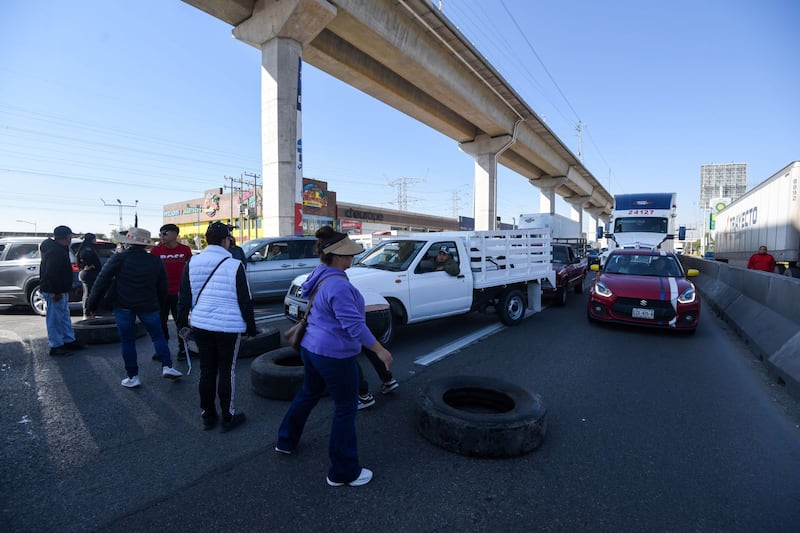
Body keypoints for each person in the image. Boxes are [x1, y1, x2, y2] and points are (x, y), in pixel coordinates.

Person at [275, 226, 392, 487]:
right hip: (334, 355)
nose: (352, 258)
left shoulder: (320, 273)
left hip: (311, 347)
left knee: (308, 393)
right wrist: (380, 350)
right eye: (349, 255)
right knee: (345, 408)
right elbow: (354, 326)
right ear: (338, 256)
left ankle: (285, 441)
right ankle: (343, 471)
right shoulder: (338, 284)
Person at [176, 221, 257, 432]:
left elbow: (184, 297)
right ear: (224, 241)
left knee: (206, 370)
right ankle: (227, 417)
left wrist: (182, 325)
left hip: (201, 324)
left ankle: (208, 415)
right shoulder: (234, 265)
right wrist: (251, 328)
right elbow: (245, 300)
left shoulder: (192, 262)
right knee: (226, 370)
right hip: (228, 327)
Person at [86, 227, 182, 388]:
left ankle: (133, 376)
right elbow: (162, 285)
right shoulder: (154, 260)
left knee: (128, 341)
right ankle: (167, 366)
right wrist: (160, 303)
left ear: (128, 243)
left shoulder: (119, 258)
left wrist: (92, 305)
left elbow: (101, 281)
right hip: (149, 305)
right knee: (157, 336)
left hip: (123, 305)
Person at [150, 223, 193, 360]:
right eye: (160, 233)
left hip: (180, 293)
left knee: (181, 322)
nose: (161, 236)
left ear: (175, 234)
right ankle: (162, 350)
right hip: (161, 294)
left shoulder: (185, 250)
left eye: (165, 233)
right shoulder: (155, 251)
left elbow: (190, 268)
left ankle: (184, 350)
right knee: (161, 323)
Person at [40, 225, 84, 356]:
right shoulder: (55, 251)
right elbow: (51, 272)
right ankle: (56, 345)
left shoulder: (58, 248)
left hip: (60, 289)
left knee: (64, 315)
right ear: (67, 237)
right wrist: (56, 292)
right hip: (55, 291)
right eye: (70, 236)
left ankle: (68, 340)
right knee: (54, 318)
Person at [76, 233, 102, 318]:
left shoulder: (85, 247)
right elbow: (85, 257)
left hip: (89, 273)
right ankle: (87, 313)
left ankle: (90, 312)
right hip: (89, 273)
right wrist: (89, 265)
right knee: (88, 293)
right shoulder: (88, 248)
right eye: (94, 239)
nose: (95, 240)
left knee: (89, 292)